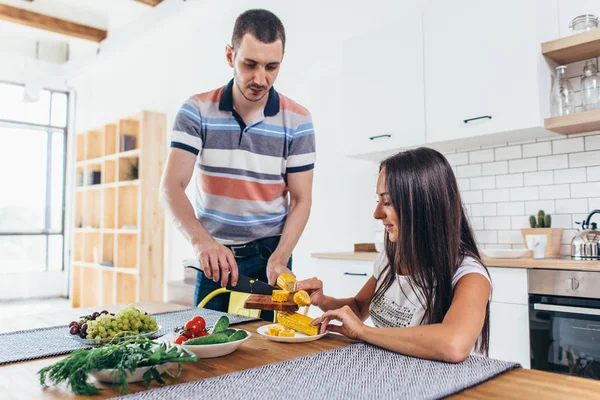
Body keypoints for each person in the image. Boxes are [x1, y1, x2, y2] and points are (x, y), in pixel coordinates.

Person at [160, 9, 316, 321]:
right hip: (216, 259)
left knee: (269, 353)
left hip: (270, 260)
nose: (261, 79)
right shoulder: (197, 111)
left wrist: (280, 256)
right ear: (230, 55)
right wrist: (202, 243)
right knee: (206, 354)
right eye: (250, 64)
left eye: (272, 67)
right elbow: (171, 186)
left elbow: (301, 199)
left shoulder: (298, 120)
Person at [297, 147, 491, 362]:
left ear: (422, 204)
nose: (377, 213)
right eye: (378, 200)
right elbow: (360, 307)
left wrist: (362, 332)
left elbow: (454, 345)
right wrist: (322, 300)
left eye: (387, 201)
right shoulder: (392, 258)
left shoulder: (469, 275)